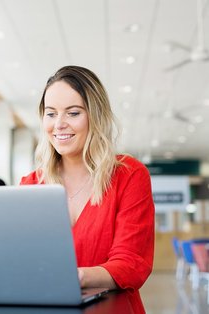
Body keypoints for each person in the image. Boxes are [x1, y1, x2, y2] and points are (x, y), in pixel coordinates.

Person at [20, 66, 155, 292]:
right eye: (51, 113)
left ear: (96, 116)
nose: (59, 123)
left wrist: (76, 277)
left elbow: (131, 262)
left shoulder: (129, 175)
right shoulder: (31, 184)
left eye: (73, 113)